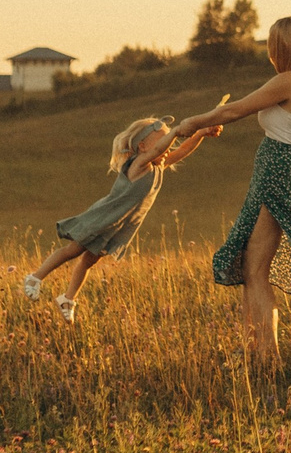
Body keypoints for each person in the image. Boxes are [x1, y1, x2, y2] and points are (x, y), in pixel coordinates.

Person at [163, 15, 291, 362]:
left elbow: (235, 110)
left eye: (273, 45)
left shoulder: (290, 80)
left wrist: (193, 123)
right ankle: (256, 351)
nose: (270, 52)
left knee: (256, 271)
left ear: (283, 46)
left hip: (278, 176)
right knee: (251, 268)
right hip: (276, 174)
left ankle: (267, 358)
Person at [21, 115, 219, 321]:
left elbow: (183, 150)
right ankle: (35, 277)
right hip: (105, 216)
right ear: (142, 147)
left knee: (89, 260)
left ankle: (67, 299)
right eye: (163, 141)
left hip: (118, 225)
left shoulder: (159, 167)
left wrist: (201, 133)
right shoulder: (140, 164)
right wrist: (176, 131)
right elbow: (158, 150)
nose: (167, 147)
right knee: (74, 249)